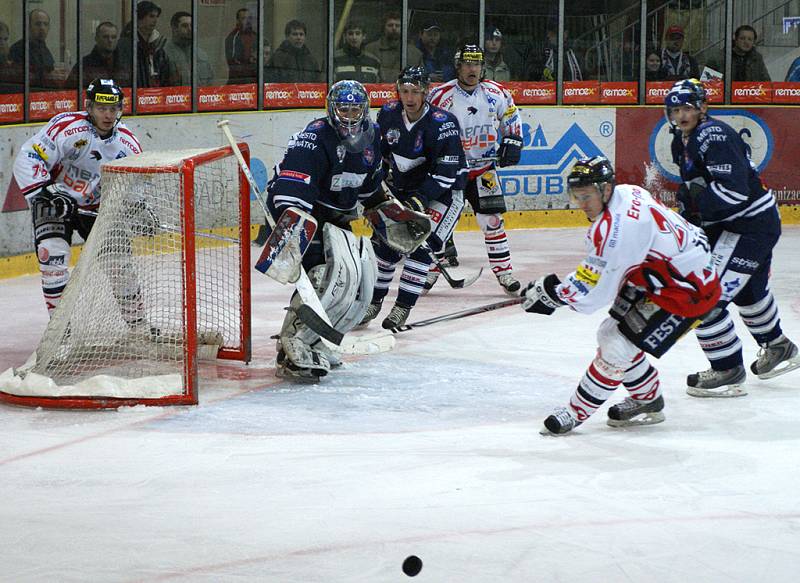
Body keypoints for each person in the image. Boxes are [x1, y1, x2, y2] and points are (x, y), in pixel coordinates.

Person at [523, 156, 721, 435]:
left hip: (688, 294)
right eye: (577, 196)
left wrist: (554, 294)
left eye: (587, 195)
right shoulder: (627, 192)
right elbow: (605, 269)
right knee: (610, 334)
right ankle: (647, 400)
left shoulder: (617, 231)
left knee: (617, 346)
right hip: (665, 276)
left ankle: (575, 412)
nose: (582, 203)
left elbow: (596, 290)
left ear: (605, 190)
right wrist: (555, 291)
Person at [265, 80, 414, 381]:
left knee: (359, 283)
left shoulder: (372, 138)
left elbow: (370, 191)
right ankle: (291, 347)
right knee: (324, 275)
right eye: (343, 108)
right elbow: (290, 197)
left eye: (355, 108)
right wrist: (294, 239)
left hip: (339, 214)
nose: (349, 115)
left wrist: (389, 211)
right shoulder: (314, 138)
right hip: (304, 212)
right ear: (332, 109)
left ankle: (318, 340)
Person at [666, 78, 798, 396]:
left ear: (703, 108)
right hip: (750, 223)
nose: (681, 115)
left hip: (747, 227)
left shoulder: (714, 135)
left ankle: (727, 368)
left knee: (703, 297)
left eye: (687, 107)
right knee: (748, 293)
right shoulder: (683, 140)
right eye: (675, 109)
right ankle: (777, 347)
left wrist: (694, 207)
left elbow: (733, 192)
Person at [13, 79, 144, 318]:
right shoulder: (66, 127)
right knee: (52, 257)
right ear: (89, 107)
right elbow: (29, 156)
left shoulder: (128, 144)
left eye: (113, 108)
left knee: (119, 264)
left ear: (120, 109)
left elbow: (134, 184)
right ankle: (59, 331)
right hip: (55, 203)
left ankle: (137, 325)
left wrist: (138, 209)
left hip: (96, 210)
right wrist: (43, 192)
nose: (108, 114)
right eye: (102, 108)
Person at [359, 66, 467, 329]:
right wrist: (376, 190)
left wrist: (418, 201)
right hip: (404, 190)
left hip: (444, 193)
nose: (409, 97)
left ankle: (403, 307)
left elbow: (447, 172)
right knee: (385, 246)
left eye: (415, 92)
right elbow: (379, 154)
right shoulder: (388, 114)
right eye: (404, 91)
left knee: (421, 247)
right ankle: (373, 302)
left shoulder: (444, 123)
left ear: (426, 92)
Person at [427, 45, 524, 294]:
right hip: (451, 172)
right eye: (467, 64)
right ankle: (426, 274)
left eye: (477, 64)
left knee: (493, 221)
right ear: (458, 66)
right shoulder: (440, 95)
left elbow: (511, 116)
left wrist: (513, 139)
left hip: (484, 170)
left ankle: (504, 273)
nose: (473, 69)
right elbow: (426, 127)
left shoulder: (496, 92)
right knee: (438, 225)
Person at [118, 1, 169, 88]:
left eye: (157, 17)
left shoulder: (159, 44)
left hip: (155, 94)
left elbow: (165, 73)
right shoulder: (126, 44)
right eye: (151, 16)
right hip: (133, 94)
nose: (155, 20)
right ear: (140, 18)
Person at [65, 22, 129, 89]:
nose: (110, 40)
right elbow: (70, 90)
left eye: (113, 37)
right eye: (105, 37)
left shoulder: (124, 64)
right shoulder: (85, 65)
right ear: (97, 38)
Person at [364, 12, 421, 83]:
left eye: (397, 26)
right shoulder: (370, 49)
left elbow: (420, 79)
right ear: (384, 27)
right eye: (390, 25)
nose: (394, 28)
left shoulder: (415, 53)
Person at [9, 9, 56, 90]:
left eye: (45, 24)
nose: (42, 28)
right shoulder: (18, 49)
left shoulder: (44, 49)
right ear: (29, 26)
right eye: (38, 24)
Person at [163, 11, 213, 86]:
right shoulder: (164, 54)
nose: (190, 29)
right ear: (174, 28)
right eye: (185, 26)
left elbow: (210, 81)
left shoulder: (201, 54)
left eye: (191, 25)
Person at [225, 8, 257, 85]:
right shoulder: (233, 38)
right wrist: (250, 62)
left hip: (255, 80)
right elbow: (233, 61)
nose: (248, 21)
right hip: (239, 81)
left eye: (249, 18)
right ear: (237, 21)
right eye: (244, 18)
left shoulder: (256, 36)